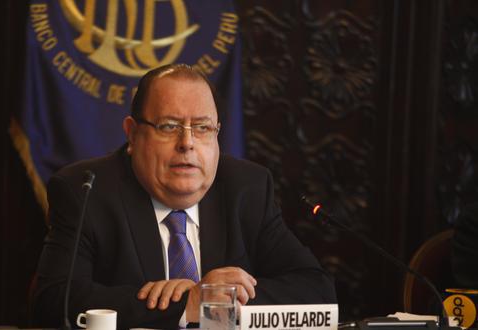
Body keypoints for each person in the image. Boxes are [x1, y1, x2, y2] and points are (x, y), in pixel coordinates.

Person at [32, 64, 337, 329]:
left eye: (203, 128)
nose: (187, 143)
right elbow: (55, 300)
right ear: (132, 135)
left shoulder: (248, 188)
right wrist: (186, 303)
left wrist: (219, 302)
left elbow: (316, 287)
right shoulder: (87, 189)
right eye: (168, 126)